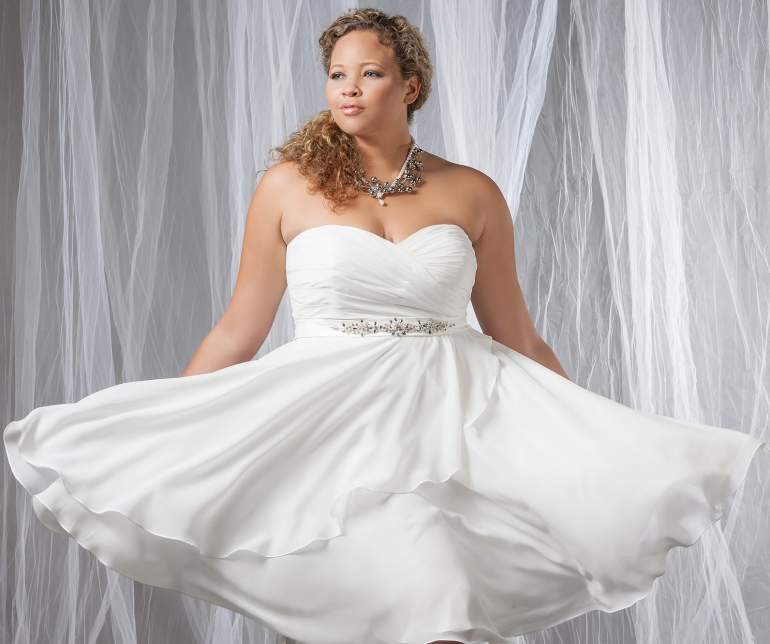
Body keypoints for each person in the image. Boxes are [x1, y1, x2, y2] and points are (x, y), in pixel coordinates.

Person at [4, 8, 767, 644]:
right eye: (337, 74)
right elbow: (239, 327)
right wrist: (173, 424)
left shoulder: (472, 192)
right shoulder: (287, 187)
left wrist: (588, 434)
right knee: (377, 603)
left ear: (411, 85)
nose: (348, 88)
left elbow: (517, 334)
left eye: (368, 72)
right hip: (330, 425)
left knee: (445, 605)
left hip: (454, 421)